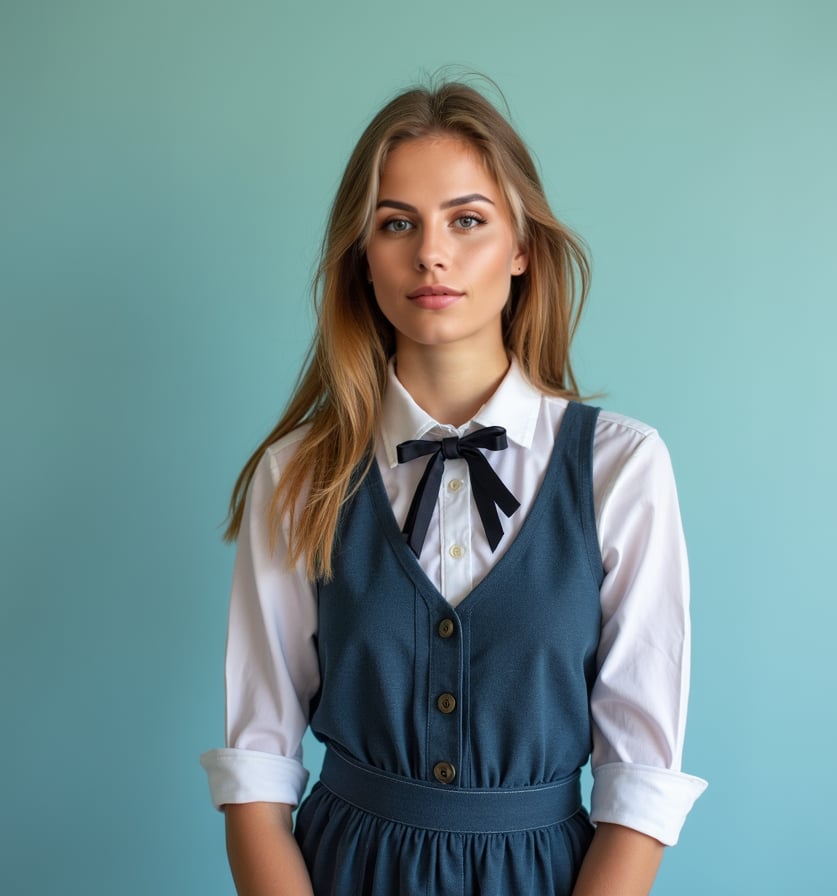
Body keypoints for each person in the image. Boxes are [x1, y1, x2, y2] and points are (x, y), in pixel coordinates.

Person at [200, 77, 706, 896]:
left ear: (521, 249)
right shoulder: (299, 474)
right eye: (397, 224)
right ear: (362, 258)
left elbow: (640, 786)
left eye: (467, 220)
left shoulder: (621, 466)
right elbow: (257, 772)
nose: (430, 253)